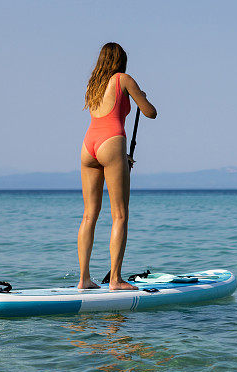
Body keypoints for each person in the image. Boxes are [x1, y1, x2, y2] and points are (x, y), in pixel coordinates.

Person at [78, 42, 157, 290]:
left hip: (88, 145)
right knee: (120, 214)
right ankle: (115, 280)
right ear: (121, 61)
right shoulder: (123, 78)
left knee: (89, 215)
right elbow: (151, 112)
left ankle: (84, 280)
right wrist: (142, 96)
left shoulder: (95, 85)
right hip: (111, 143)